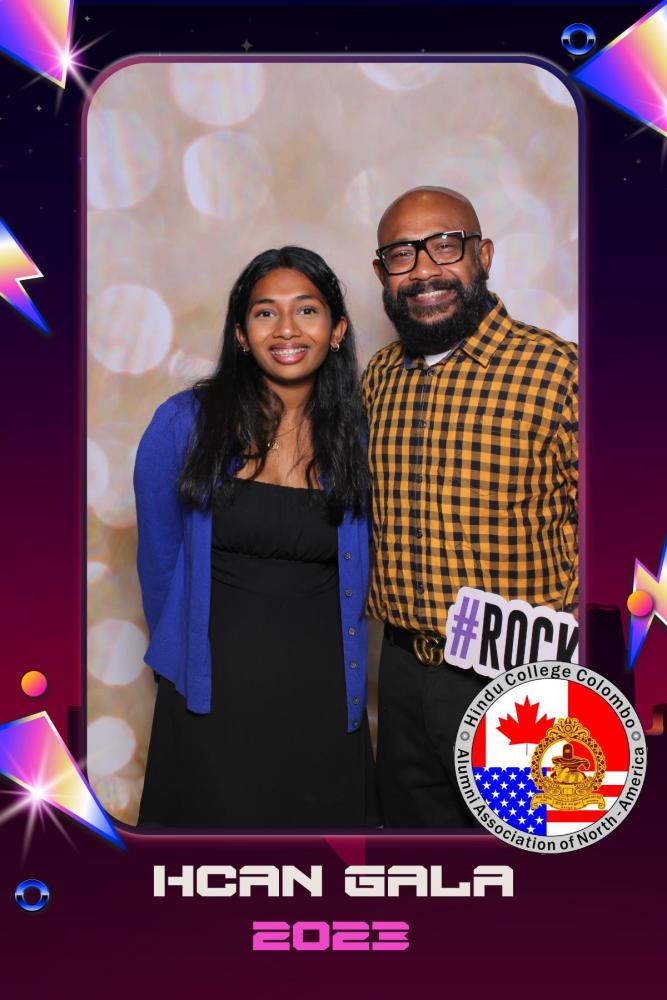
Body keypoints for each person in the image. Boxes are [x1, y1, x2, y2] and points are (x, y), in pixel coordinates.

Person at [134, 246, 377, 828]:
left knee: (325, 864)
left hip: (323, 701)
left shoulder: (362, 434)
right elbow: (159, 562)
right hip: (210, 700)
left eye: (307, 310)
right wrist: (181, 666)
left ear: (337, 330)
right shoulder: (183, 423)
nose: (286, 328)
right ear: (242, 334)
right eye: (265, 312)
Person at [362, 186, 578, 827]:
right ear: (381, 273)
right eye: (401, 254)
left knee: (527, 867)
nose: (424, 270)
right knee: (420, 865)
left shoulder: (559, 373)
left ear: (482, 255)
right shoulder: (379, 378)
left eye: (445, 246)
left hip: (520, 678)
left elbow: (632, 543)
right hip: (402, 673)